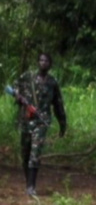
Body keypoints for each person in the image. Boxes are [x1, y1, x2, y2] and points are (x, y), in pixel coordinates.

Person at [14, 53, 67, 197]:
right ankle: (28, 183)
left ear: (50, 64)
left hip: (42, 121)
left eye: (47, 61)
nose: (43, 63)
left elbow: (58, 104)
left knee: (35, 153)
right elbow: (15, 88)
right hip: (26, 120)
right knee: (25, 153)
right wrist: (19, 97)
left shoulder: (52, 82)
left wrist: (62, 123)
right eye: (41, 60)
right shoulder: (28, 77)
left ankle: (31, 186)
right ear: (38, 62)